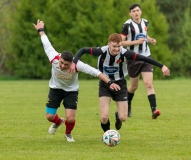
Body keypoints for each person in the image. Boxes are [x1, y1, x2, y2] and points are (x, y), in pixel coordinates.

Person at [32, 19, 120, 142]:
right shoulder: (54, 57)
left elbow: (96, 72)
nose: (62, 66)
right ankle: (58, 122)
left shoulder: (78, 65)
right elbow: (46, 43)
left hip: (71, 91)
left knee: (70, 119)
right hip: (55, 89)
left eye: (66, 65)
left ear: (71, 63)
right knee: (49, 116)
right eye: (62, 63)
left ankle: (68, 133)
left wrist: (109, 82)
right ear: (60, 58)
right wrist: (40, 30)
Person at [70, 33, 170, 133]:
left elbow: (144, 58)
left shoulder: (125, 53)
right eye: (114, 46)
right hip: (105, 84)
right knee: (104, 117)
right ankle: (107, 134)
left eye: (119, 46)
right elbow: (83, 50)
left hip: (120, 84)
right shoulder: (101, 51)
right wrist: (74, 62)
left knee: (123, 118)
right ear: (109, 44)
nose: (117, 49)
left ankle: (118, 115)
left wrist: (162, 66)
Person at [121, 3, 161, 119]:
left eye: (137, 10)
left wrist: (150, 39)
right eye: (133, 11)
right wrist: (135, 43)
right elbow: (121, 42)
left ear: (141, 11)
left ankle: (154, 111)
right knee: (134, 86)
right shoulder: (127, 25)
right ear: (130, 14)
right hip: (133, 58)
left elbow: (144, 35)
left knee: (148, 84)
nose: (136, 13)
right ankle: (127, 106)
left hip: (146, 56)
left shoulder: (145, 22)